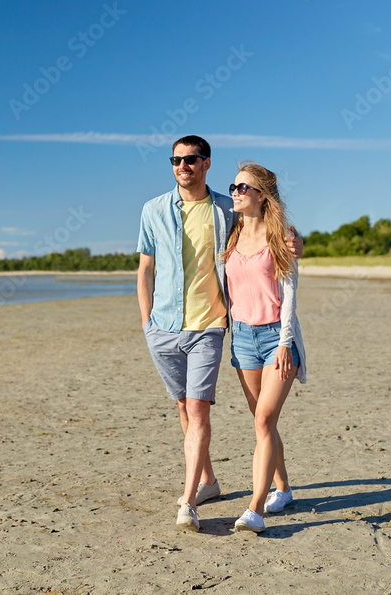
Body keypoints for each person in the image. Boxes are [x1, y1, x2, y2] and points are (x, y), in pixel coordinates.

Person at [137, 136, 302, 533]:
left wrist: (297, 242)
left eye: (191, 159)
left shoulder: (229, 211)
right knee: (234, 416)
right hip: (201, 331)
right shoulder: (167, 213)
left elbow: (285, 259)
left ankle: (227, 505)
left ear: (205, 163)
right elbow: (146, 268)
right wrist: (147, 322)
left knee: (242, 417)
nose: (183, 165)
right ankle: (258, 484)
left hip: (231, 331)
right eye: (176, 159)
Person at [221, 162, 307, 534]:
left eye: (244, 187)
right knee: (264, 423)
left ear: (262, 196)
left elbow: (289, 294)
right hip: (242, 337)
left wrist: (286, 342)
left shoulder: (282, 237)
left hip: (275, 338)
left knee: (262, 420)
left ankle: (254, 509)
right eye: (235, 186)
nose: (236, 192)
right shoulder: (230, 233)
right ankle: (284, 488)